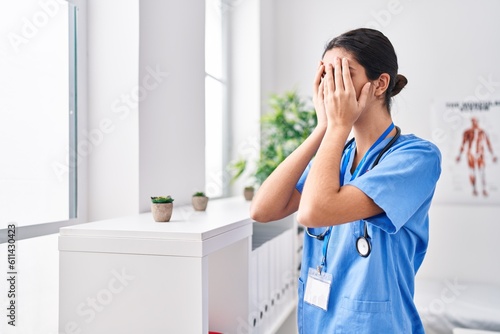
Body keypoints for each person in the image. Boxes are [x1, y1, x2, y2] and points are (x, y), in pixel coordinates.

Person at [250, 28, 441, 333]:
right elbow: (263, 210)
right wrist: (322, 129)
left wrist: (338, 126)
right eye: (326, 74)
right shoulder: (335, 156)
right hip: (319, 322)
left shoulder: (418, 157)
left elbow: (314, 212)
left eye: (343, 74)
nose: (331, 87)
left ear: (379, 84)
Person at [456, 116, 497, 197]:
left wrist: (493, 155)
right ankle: (474, 189)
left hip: (480, 153)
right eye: (473, 121)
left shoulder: (482, 132)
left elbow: (488, 143)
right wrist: (459, 155)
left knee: (482, 172)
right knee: (472, 172)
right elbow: (463, 144)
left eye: (476, 121)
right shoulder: (467, 132)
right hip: (471, 153)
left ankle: (484, 189)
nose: (475, 123)